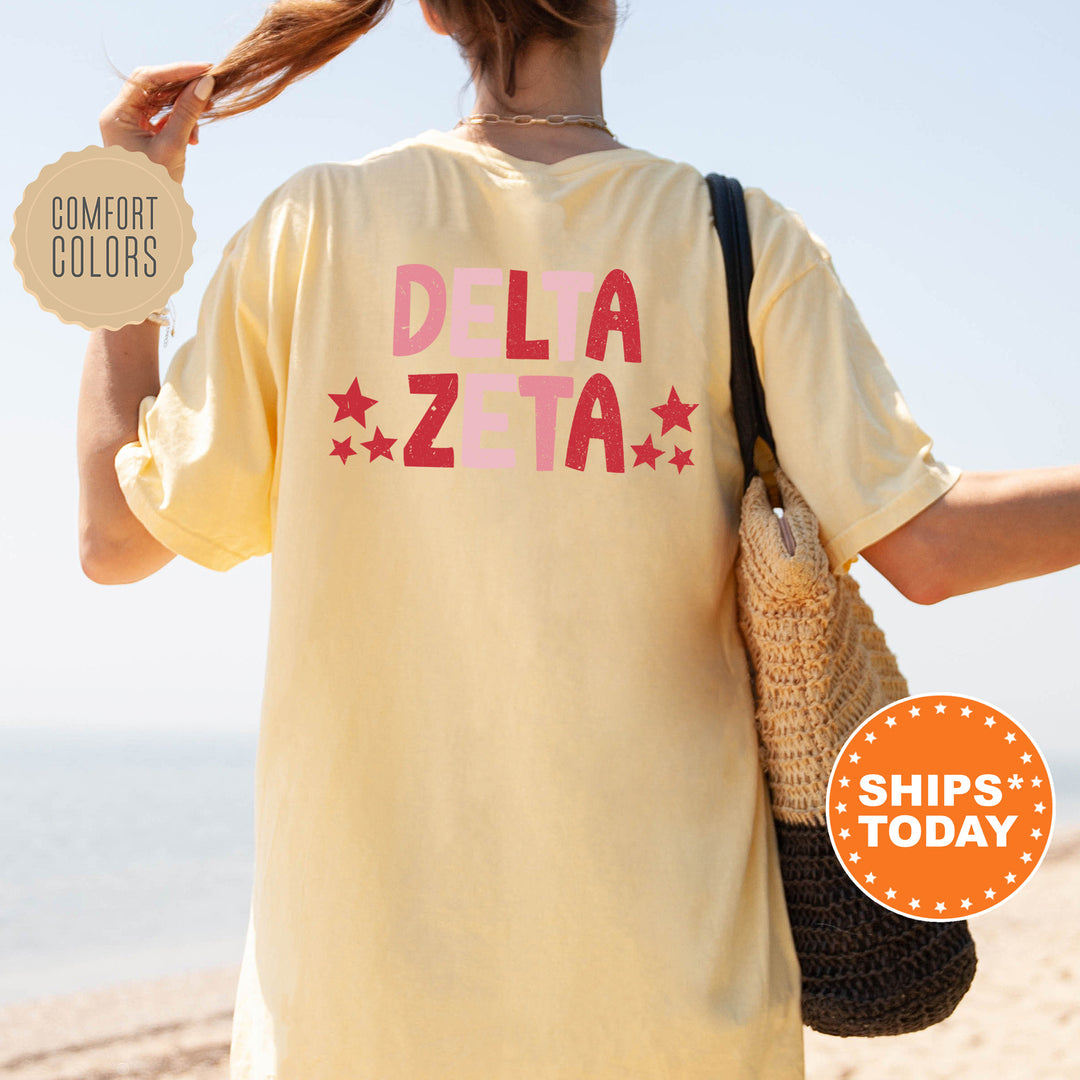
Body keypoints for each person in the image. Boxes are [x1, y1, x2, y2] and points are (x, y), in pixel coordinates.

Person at [77, 2, 1080, 1078]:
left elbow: (115, 539)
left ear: (430, 13)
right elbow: (930, 549)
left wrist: (129, 213)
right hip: (674, 1001)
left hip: (357, 1012)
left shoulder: (315, 225)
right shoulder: (735, 239)